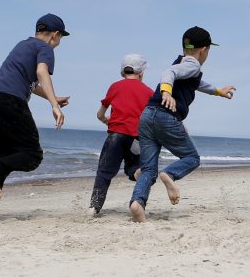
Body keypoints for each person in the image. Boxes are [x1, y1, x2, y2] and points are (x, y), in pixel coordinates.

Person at [129, 26, 235, 222]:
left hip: (147, 116)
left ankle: (137, 204)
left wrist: (219, 91)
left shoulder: (187, 67)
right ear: (204, 50)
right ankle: (170, 174)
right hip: (165, 117)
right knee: (192, 157)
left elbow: (199, 84)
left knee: (148, 169)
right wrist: (167, 92)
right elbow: (169, 72)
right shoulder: (192, 64)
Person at [0, 14, 71, 223]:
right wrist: (54, 106)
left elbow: (30, 82)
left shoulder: (22, 45)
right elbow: (41, 71)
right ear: (55, 35)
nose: (58, 43)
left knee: (3, 160)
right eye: (60, 38)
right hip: (10, 101)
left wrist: (53, 97)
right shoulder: (44, 48)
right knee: (32, 155)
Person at [89, 54, 153, 215]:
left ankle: (94, 207)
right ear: (141, 72)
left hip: (116, 135)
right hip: (137, 138)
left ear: (122, 71)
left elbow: (100, 114)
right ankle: (136, 175)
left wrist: (106, 120)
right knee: (134, 169)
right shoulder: (148, 92)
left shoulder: (115, 86)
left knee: (104, 172)